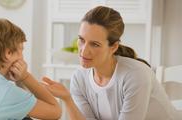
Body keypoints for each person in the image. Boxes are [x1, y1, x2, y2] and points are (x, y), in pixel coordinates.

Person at [42, 6, 177, 120]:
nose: (84, 51)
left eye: (94, 44)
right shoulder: (79, 78)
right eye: (82, 40)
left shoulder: (135, 75)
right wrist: (67, 99)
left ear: (113, 47)